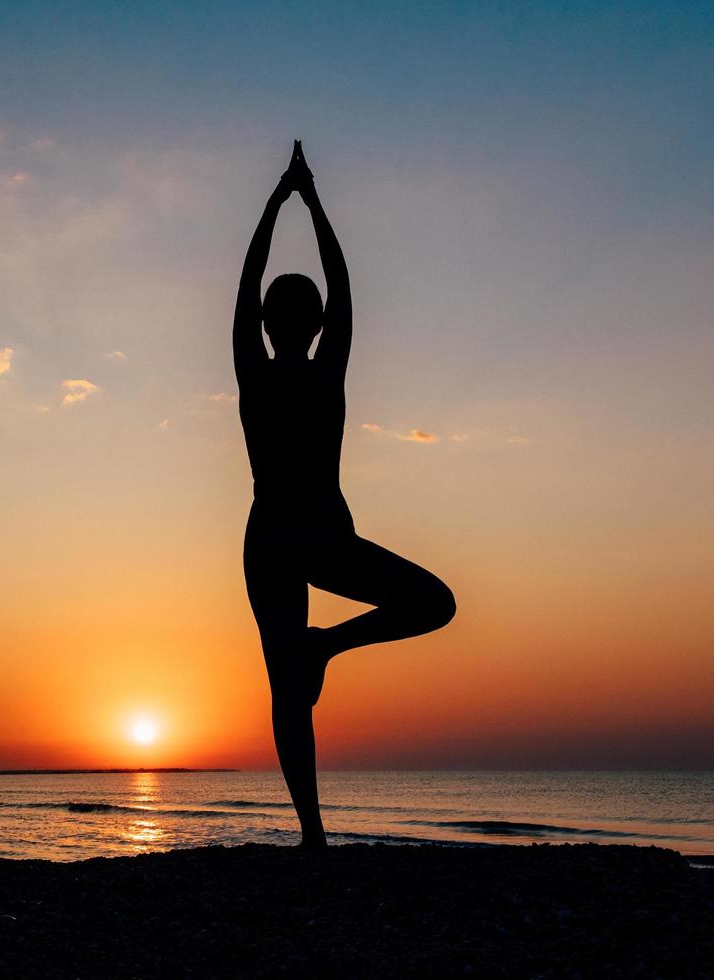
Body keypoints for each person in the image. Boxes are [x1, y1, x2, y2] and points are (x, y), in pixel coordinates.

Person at [234, 139, 456, 847]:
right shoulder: (316, 372)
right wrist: (311, 200)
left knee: (286, 687)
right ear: (316, 324)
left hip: (279, 535)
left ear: (272, 326)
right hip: (310, 535)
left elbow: (248, 285)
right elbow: (342, 284)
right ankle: (325, 650)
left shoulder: (260, 374)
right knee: (433, 603)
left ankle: (313, 834)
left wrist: (278, 201)